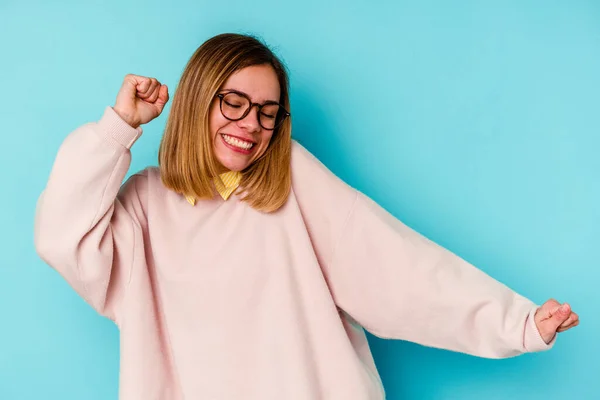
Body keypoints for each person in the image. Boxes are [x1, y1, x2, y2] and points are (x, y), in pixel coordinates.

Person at [34, 33, 579, 400]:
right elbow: (63, 238)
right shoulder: (143, 207)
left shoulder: (290, 180)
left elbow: (394, 266)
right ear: (198, 98)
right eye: (235, 103)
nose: (251, 124)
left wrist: (517, 324)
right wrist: (118, 128)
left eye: (269, 112)